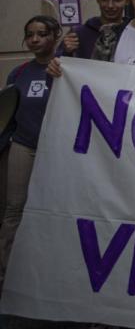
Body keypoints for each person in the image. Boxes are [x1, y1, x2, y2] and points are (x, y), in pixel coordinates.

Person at [0, 16, 61, 288]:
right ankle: (8, 270)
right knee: (14, 209)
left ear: (55, 36)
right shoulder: (19, 73)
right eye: (30, 34)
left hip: (55, 152)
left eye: (41, 34)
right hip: (23, 146)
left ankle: (49, 269)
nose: (35, 39)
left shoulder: (64, 70)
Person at [60, 0, 130, 58]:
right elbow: (55, 67)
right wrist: (66, 52)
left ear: (127, 0)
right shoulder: (78, 34)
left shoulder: (132, 33)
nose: (110, 5)